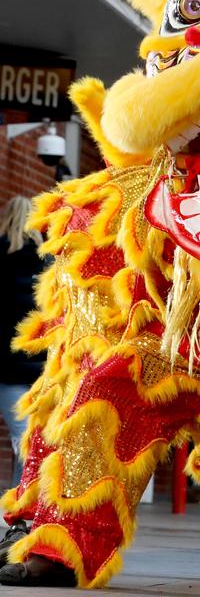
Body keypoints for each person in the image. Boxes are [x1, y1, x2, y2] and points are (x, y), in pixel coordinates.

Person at [0, 196, 45, 565]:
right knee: (27, 444)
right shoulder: (46, 261)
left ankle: (20, 518)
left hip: (5, 370)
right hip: (38, 368)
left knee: (22, 442)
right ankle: (20, 518)